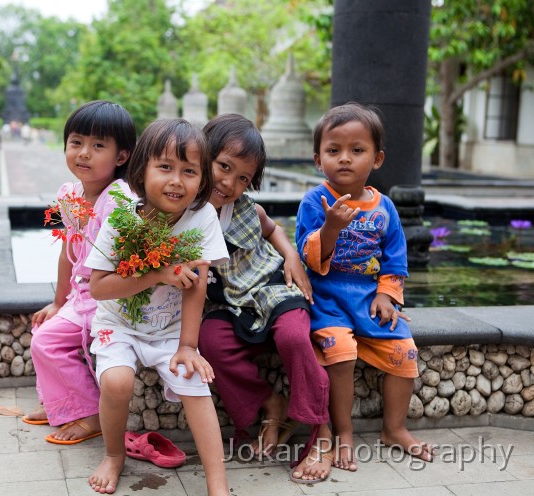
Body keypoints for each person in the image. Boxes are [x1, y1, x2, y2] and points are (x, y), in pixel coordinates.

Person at [85, 118, 230, 494]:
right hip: (117, 324)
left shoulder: (202, 217)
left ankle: (218, 483)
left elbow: (197, 285)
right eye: (165, 167)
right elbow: (99, 288)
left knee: (194, 381)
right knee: (117, 381)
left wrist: (187, 346)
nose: (176, 180)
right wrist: (158, 274)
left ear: (203, 179)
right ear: (141, 170)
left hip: (169, 332)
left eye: (189, 171)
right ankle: (114, 455)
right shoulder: (122, 218)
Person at [295, 102, 433, 471]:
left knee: (404, 351)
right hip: (328, 298)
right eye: (333, 150)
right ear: (317, 158)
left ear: (377, 158)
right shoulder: (315, 201)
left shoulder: (384, 206)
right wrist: (330, 228)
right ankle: (344, 434)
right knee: (340, 353)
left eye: (357, 150)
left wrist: (387, 294)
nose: (344, 159)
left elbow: (395, 257)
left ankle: (394, 428)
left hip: (369, 296)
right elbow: (306, 258)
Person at [198, 114, 333, 484]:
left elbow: (273, 230)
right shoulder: (184, 209)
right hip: (231, 303)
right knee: (210, 340)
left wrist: (291, 257)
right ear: (202, 155)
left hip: (274, 288)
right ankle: (269, 403)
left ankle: (320, 431)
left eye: (243, 178)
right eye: (224, 167)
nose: (230, 182)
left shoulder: (245, 209)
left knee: (292, 337)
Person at [25, 101, 136, 445]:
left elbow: (125, 266)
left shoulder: (119, 199)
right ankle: (62, 403)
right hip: (81, 294)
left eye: (98, 145)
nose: (84, 153)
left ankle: (89, 412)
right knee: (43, 327)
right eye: (76, 143)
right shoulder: (69, 194)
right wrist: (58, 302)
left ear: (121, 157)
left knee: (47, 341)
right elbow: (66, 252)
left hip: (108, 297)